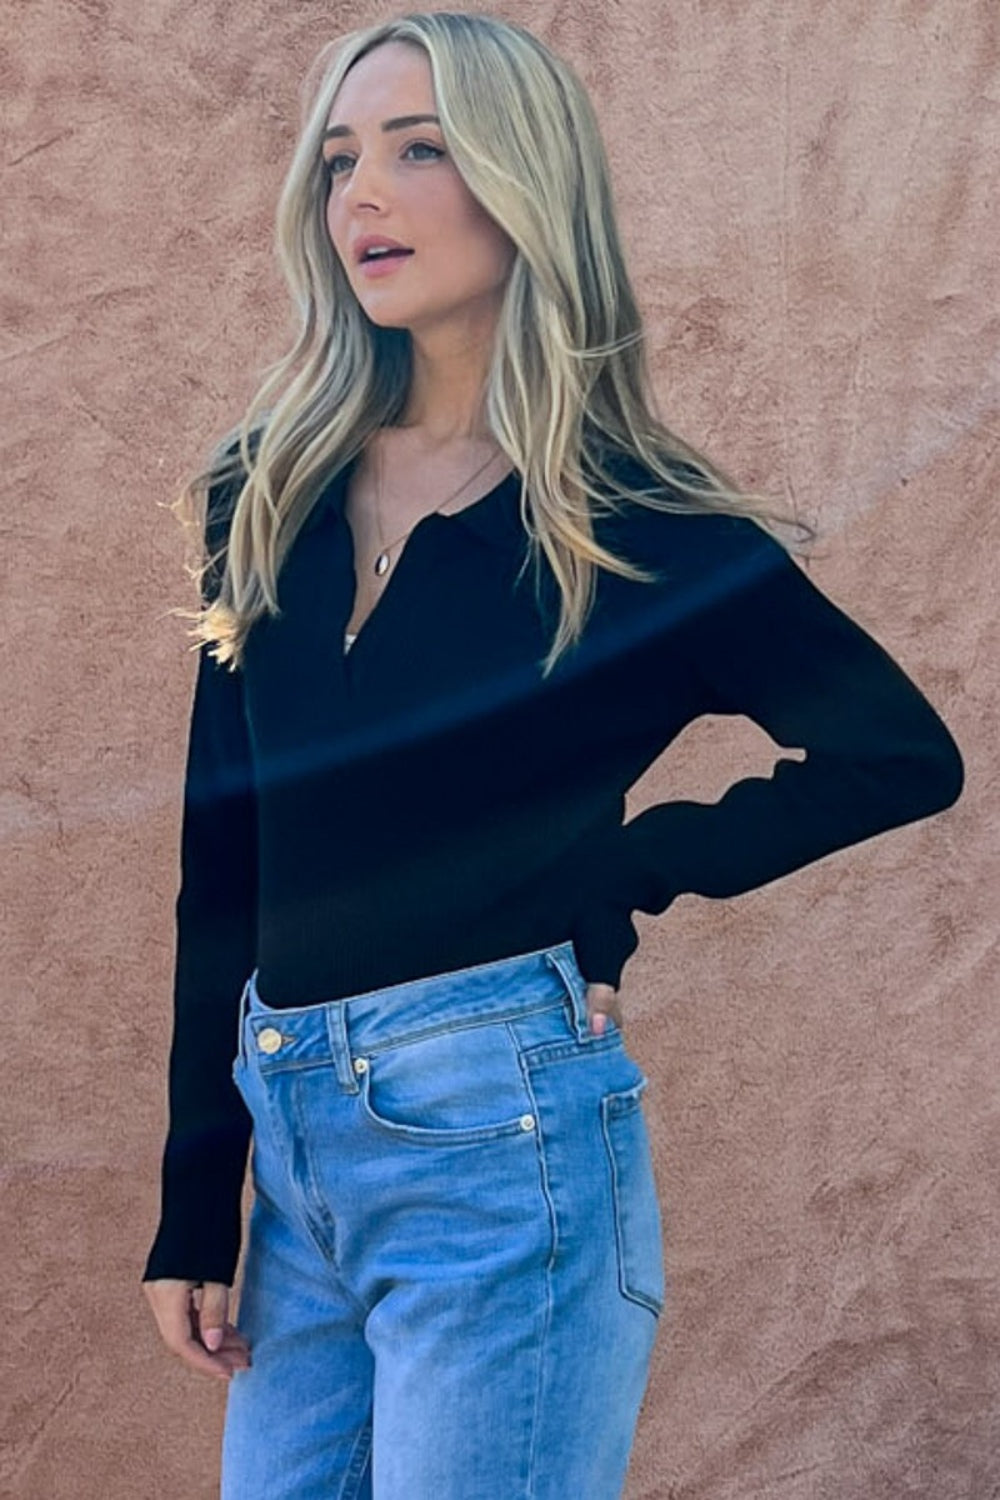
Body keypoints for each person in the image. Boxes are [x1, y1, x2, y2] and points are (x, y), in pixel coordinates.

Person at [141, 11, 964, 1498]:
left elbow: (899, 754)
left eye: (418, 150)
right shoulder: (264, 495)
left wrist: (624, 870)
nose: (361, 200)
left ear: (526, 189)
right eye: (338, 163)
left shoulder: (637, 527)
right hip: (294, 1161)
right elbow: (224, 858)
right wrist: (198, 1197)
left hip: (498, 1147)